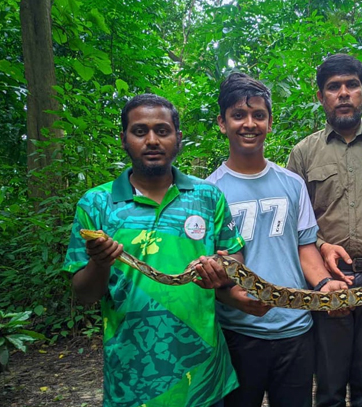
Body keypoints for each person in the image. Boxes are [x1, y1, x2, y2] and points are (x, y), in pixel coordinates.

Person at [63, 94, 244, 407]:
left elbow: (233, 257)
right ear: (123, 140)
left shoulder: (208, 196)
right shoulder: (95, 204)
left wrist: (220, 269)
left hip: (204, 375)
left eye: (162, 131)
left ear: (177, 139)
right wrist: (100, 263)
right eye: (139, 131)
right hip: (132, 380)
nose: (151, 140)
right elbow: (84, 294)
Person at [207, 72, 348, 407]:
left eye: (258, 115)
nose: (249, 124)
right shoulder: (208, 192)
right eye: (238, 115)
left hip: (295, 330)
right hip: (238, 333)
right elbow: (211, 269)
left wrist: (325, 283)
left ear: (270, 123)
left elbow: (305, 248)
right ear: (222, 123)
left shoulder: (292, 183)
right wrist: (234, 298)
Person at [286, 54, 362, 407]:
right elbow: (294, 221)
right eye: (334, 87)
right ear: (321, 96)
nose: (344, 93)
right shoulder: (304, 153)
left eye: (351, 85)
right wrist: (320, 245)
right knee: (330, 389)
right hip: (328, 281)